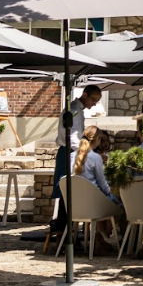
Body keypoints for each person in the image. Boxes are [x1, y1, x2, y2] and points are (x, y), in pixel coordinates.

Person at [48, 84, 103, 240]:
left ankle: (66, 232)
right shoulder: (73, 111)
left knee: (70, 194)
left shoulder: (77, 111)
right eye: (93, 100)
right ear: (85, 95)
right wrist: (88, 154)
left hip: (73, 152)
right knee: (68, 192)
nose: (94, 104)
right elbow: (72, 139)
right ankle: (62, 233)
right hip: (69, 153)